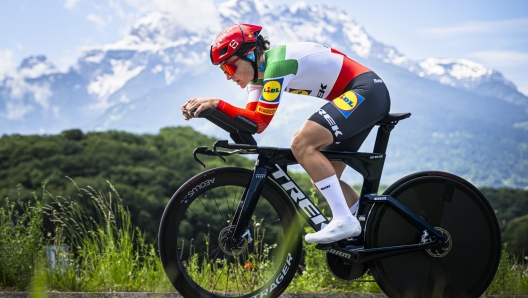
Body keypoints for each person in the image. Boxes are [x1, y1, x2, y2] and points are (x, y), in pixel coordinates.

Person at [181, 24, 391, 244]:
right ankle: (371, 229)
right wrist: (210, 112)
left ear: (250, 55)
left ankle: (344, 220)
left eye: (230, 68)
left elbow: (259, 121)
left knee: (302, 144)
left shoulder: (277, 66)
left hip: (367, 91)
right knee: (324, 176)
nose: (228, 77)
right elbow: (251, 122)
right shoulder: (259, 78)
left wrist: (216, 103)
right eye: (223, 71)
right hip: (360, 97)